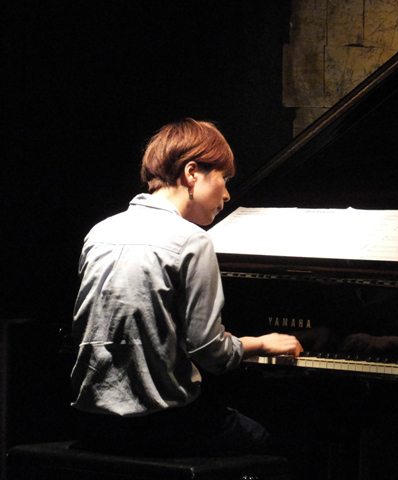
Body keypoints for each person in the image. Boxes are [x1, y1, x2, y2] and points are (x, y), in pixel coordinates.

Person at [70, 118, 303, 456]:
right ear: (192, 172)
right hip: (164, 426)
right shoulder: (192, 240)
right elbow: (210, 352)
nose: (227, 194)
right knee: (274, 441)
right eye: (223, 178)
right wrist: (260, 343)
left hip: (93, 423)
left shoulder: (99, 232)